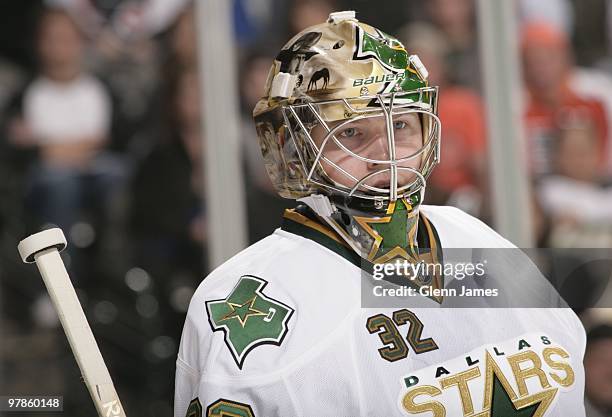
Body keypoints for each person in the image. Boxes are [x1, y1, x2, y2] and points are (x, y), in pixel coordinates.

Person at [174, 12, 586, 416]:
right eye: (350, 132)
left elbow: (567, 361)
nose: (385, 153)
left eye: (401, 125)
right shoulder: (249, 297)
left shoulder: (471, 235)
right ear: (295, 149)